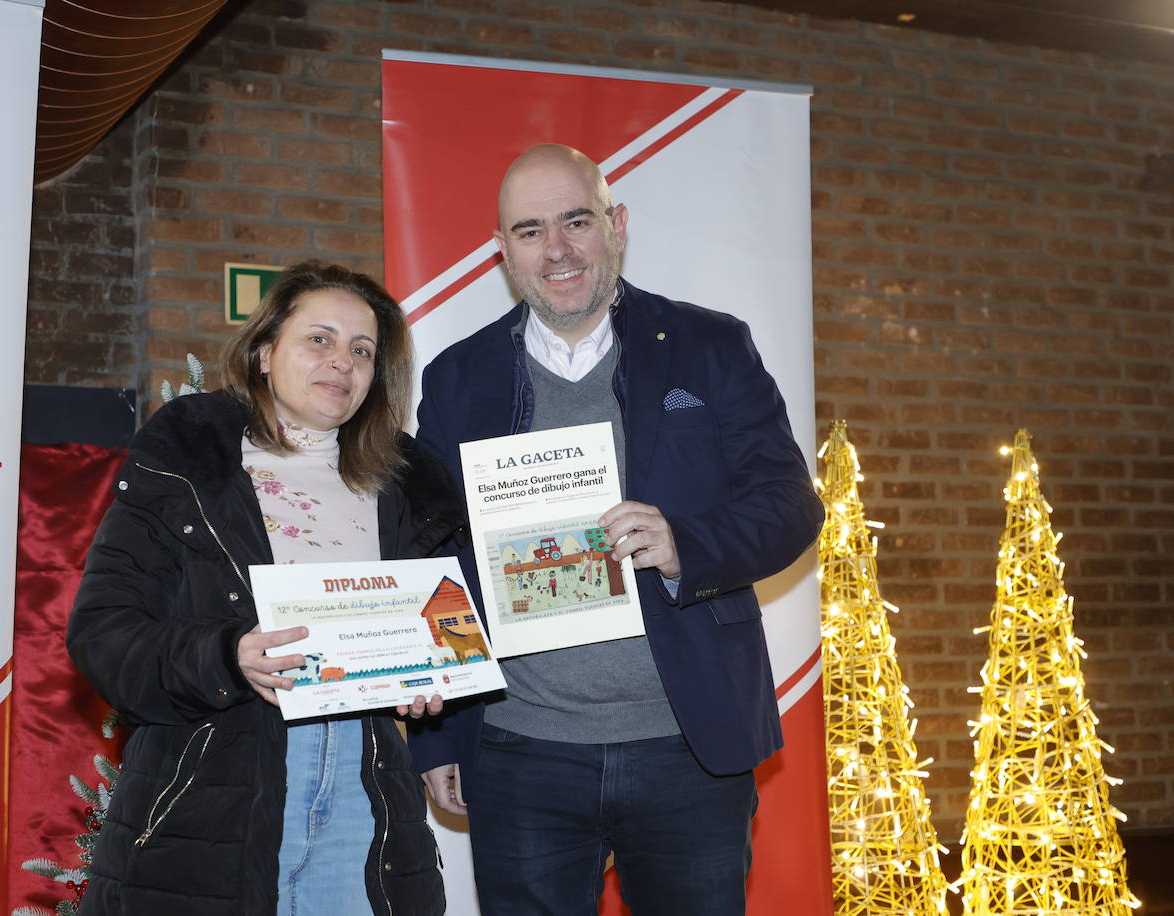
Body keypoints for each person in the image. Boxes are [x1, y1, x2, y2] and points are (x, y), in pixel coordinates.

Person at [408, 144, 823, 914]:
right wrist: (436, 734)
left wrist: (683, 545)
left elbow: (792, 505)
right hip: (520, 748)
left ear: (617, 224)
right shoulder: (458, 377)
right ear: (502, 250)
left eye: (576, 221)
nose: (556, 250)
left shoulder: (712, 346)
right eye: (529, 231)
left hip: (688, 746)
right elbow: (433, 556)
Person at [67, 262, 460, 916]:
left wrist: (429, 677)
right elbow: (102, 636)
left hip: (367, 798)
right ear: (264, 351)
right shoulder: (188, 464)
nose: (343, 362)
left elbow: (441, 631)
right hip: (214, 795)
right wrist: (227, 657)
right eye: (320, 339)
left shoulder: (408, 488)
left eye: (363, 350)